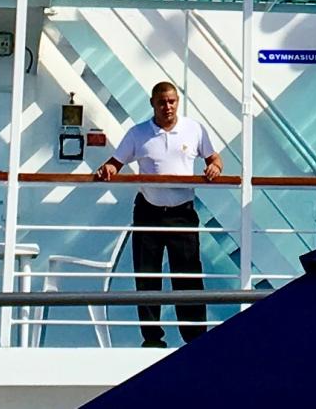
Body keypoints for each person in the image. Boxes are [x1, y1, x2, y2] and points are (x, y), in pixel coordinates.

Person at [94, 80, 224, 348]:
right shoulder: (138, 133)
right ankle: (152, 340)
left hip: (182, 214)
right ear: (152, 104)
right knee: (147, 276)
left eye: (172, 101)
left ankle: (195, 339)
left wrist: (215, 169)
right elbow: (115, 163)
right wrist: (107, 170)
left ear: (178, 102)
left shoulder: (194, 129)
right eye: (162, 102)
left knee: (188, 277)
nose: (168, 107)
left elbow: (214, 158)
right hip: (148, 212)